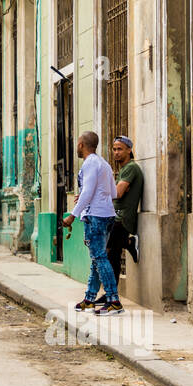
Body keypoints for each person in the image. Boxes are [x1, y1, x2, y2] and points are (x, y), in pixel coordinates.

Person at [63, 131, 122, 316]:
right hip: (107, 215)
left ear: (81, 145)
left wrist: (73, 215)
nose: (77, 147)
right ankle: (90, 299)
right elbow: (113, 193)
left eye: (77, 143)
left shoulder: (89, 164)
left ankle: (114, 301)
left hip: (95, 216)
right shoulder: (103, 164)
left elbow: (88, 192)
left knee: (100, 258)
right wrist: (93, 195)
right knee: (97, 258)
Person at [92, 135, 144, 304]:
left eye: (120, 149)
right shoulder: (123, 170)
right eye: (114, 149)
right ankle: (128, 243)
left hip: (122, 218)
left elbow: (117, 193)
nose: (116, 153)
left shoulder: (131, 168)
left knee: (110, 254)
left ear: (129, 150)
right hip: (115, 216)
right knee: (110, 252)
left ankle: (111, 294)